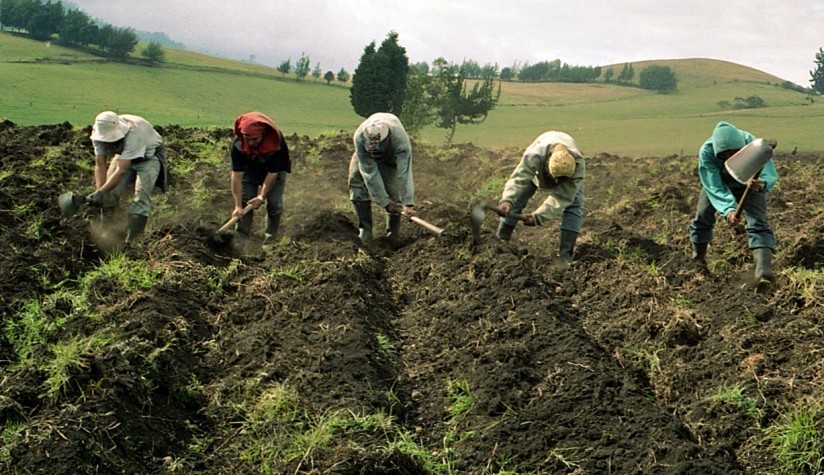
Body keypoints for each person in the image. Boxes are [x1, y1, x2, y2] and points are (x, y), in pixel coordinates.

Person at [689, 121, 778, 286]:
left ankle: (763, 272)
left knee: (758, 222)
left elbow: (768, 172)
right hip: (721, 183)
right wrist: (728, 210)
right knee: (702, 217)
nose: (730, 158)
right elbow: (714, 186)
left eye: (735, 154)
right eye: (725, 155)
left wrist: (761, 184)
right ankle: (698, 260)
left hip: (750, 182)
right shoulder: (707, 152)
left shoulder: (753, 145)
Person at [497, 131, 586, 266]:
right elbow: (519, 179)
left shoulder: (578, 165)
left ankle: (565, 257)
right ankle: (501, 241)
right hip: (537, 173)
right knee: (517, 200)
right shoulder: (535, 155)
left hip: (569, 177)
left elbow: (562, 197)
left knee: (574, 207)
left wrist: (538, 217)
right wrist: (507, 200)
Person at [86, 111, 167, 246]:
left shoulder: (133, 135)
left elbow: (121, 171)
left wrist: (100, 193)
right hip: (123, 156)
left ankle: (132, 241)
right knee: (109, 193)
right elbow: (100, 164)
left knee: (141, 196)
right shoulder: (97, 136)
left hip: (148, 157)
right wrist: (100, 192)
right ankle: (107, 230)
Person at [229, 111, 291, 253]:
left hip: (273, 171)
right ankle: (239, 245)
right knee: (245, 204)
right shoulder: (238, 144)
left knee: (274, 204)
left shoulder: (277, 142)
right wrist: (237, 206)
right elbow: (236, 175)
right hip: (250, 170)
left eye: (255, 139)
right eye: (247, 138)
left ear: (263, 134)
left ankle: (269, 245)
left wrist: (261, 197)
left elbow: (273, 173)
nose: (250, 143)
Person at [348, 112, 415, 241]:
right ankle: (365, 230)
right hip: (365, 156)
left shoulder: (400, 142)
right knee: (356, 181)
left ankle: (392, 235)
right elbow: (369, 173)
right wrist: (384, 202)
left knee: (394, 193)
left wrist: (408, 203)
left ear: (387, 137)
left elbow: (404, 173)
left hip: (390, 158)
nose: (376, 149)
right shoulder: (360, 137)